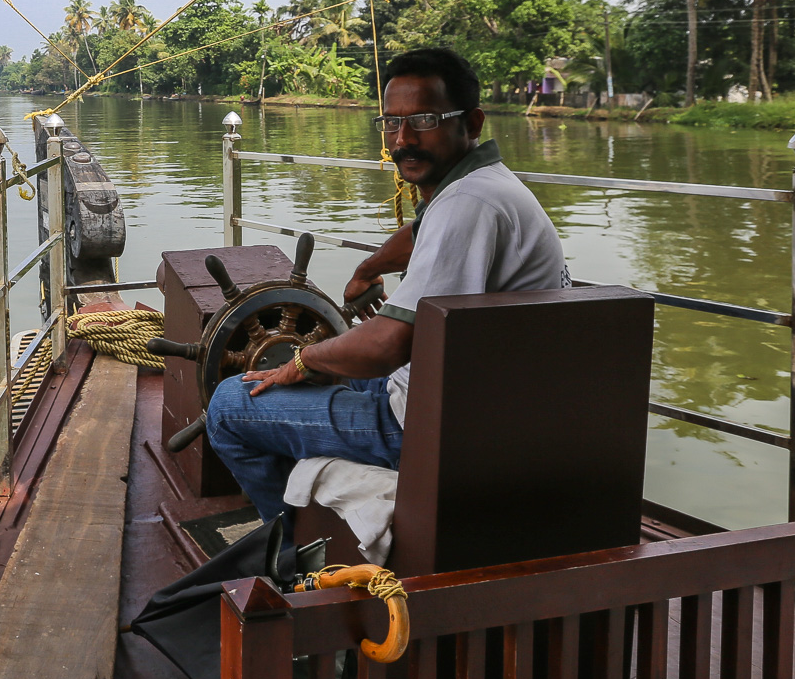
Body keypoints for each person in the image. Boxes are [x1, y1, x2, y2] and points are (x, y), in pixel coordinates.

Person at [204, 46, 568, 525]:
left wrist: (302, 359)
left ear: (472, 122)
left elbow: (387, 346)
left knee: (230, 404)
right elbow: (419, 234)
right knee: (328, 369)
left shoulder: (468, 204)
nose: (403, 139)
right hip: (478, 400)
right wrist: (368, 268)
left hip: (432, 426)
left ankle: (293, 549)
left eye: (425, 119)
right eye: (391, 123)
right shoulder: (487, 184)